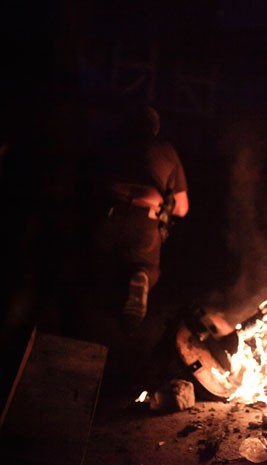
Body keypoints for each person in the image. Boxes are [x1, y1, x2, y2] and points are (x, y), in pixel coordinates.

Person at [91, 104, 189, 331]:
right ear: (155, 129)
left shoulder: (112, 145)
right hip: (145, 221)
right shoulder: (166, 151)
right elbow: (182, 208)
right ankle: (141, 277)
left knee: (98, 269)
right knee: (144, 266)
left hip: (108, 215)